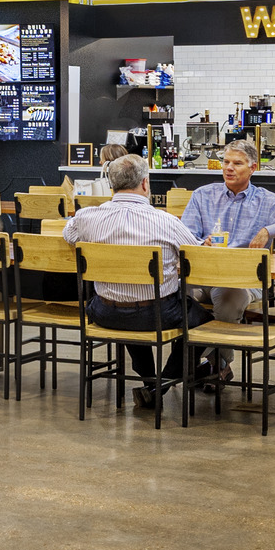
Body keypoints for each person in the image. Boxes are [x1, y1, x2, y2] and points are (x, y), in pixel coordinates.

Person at [60, 153, 206, 411]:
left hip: (105, 312)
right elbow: (196, 256)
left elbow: (68, 234)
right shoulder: (167, 222)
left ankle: (150, 383)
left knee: (125, 303)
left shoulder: (87, 218)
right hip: (154, 313)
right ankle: (161, 383)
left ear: (110, 184)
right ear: (146, 183)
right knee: (202, 322)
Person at [179, 143, 275, 378]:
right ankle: (218, 363)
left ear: (253, 167)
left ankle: (212, 364)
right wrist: (202, 242)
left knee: (229, 297)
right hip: (204, 273)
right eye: (226, 162)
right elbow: (185, 235)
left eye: (237, 163)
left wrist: (269, 230)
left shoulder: (266, 201)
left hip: (242, 279)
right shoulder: (202, 195)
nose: (229, 168)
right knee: (175, 294)